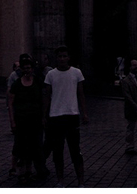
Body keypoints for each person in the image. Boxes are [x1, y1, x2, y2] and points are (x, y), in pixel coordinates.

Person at [42, 47, 87, 184]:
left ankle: (81, 182)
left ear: (68, 58)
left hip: (72, 115)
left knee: (75, 151)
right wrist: (44, 116)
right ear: (56, 58)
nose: (62, 59)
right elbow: (47, 96)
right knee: (58, 152)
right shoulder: (51, 75)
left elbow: (80, 94)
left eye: (64, 56)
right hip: (56, 116)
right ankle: (60, 181)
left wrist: (84, 113)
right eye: (60, 56)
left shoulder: (76, 73)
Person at [8, 63, 49, 181]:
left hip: (35, 119)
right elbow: (11, 102)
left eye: (29, 68)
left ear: (32, 69)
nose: (27, 70)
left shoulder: (37, 81)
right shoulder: (17, 84)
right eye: (25, 68)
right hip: (21, 119)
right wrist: (12, 121)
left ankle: (29, 170)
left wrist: (43, 116)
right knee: (21, 145)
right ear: (21, 70)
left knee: (33, 145)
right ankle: (20, 170)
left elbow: (43, 97)